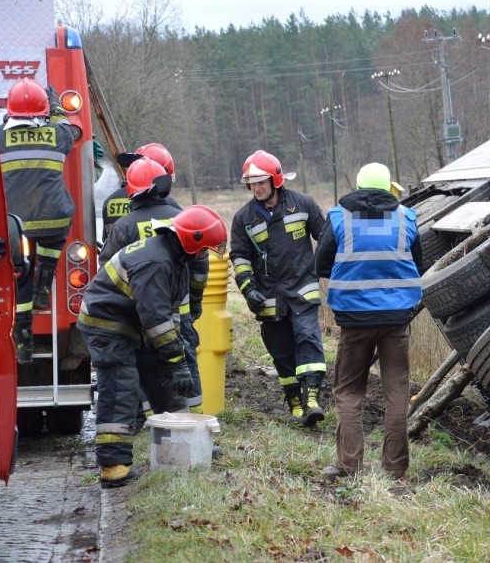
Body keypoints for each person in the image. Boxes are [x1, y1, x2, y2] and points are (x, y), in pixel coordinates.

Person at [77, 205, 227, 488]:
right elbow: (156, 320)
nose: (204, 255)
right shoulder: (157, 262)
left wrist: (173, 361)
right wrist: (177, 361)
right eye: (205, 248)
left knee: (163, 376)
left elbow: (166, 313)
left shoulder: (174, 256)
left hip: (133, 323)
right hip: (107, 325)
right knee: (122, 386)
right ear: (193, 243)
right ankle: (113, 466)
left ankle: (185, 441)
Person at [314, 162, 423, 479]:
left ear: (359, 188)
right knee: (397, 393)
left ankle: (349, 466)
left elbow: (320, 264)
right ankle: (395, 468)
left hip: (354, 319)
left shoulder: (339, 217)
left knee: (348, 392)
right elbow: (417, 264)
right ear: (389, 187)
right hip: (396, 319)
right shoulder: (407, 218)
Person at [99, 148, 208, 415]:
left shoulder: (116, 210)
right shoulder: (177, 215)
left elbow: (107, 266)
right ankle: (190, 421)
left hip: (134, 311)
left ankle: (147, 416)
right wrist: (194, 303)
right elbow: (198, 263)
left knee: (142, 364)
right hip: (175, 307)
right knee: (180, 359)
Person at [229, 150, 327, 426]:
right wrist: (248, 290)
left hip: (302, 288)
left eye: (261, 181)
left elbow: (326, 238)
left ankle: (312, 399)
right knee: (281, 350)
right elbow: (240, 257)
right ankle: (294, 399)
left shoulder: (303, 204)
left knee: (308, 337)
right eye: (252, 182)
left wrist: (320, 267)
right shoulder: (242, 218)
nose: (257, 187)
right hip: (268, 296)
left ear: (275, 180)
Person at [0, 79, 77, 364]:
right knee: (56, 233)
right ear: (43, 111)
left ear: (10, 111)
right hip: (54, 222)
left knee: (21, 278)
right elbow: (73, 128)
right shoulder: (58, 134)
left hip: (16, 227)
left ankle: (23, 342)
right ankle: (46, 282)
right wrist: (55, 109)